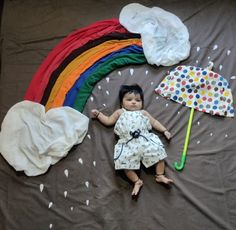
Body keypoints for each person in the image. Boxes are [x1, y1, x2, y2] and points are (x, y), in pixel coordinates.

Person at [91, 84, 173, 196]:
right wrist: (99, 115)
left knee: (159, 155)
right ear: (122, 102)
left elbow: (154, 122)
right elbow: (108, 121)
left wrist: (164, 131)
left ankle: (160, 175)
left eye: (138, 100)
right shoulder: (120, 112)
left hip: (145, 141)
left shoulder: (143, 113)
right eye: (129, 99)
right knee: (124, 165)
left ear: (142, 103)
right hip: (127, 144)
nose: (134, 102)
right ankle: (137, 181)